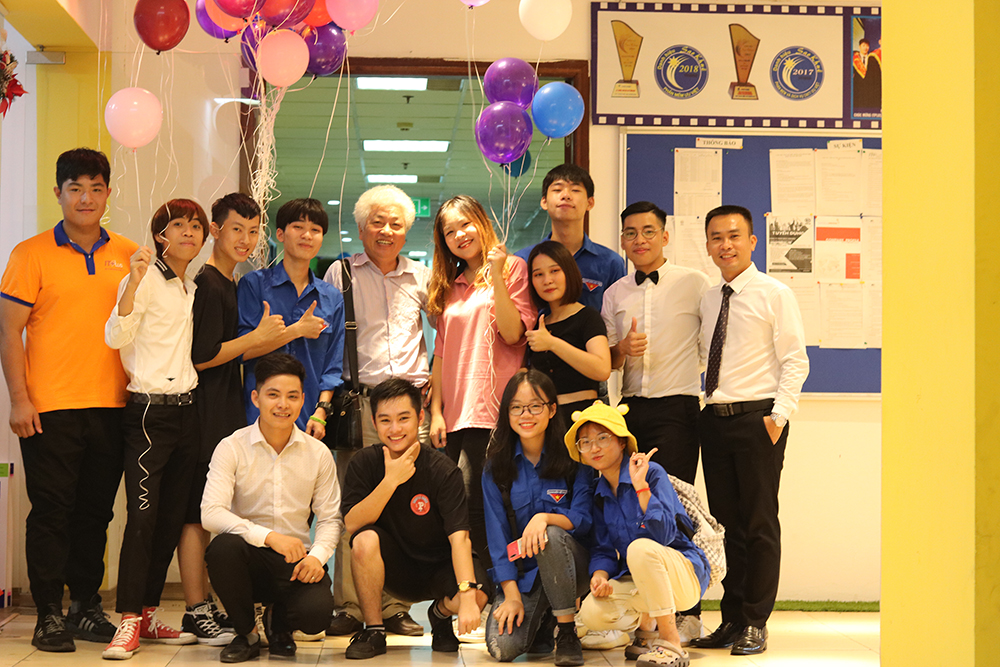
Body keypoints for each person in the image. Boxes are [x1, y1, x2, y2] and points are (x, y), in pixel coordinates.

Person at [0, 148, 136, 652]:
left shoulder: (128, 253)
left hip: (114, 405)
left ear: (107, 193)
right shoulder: (30, 253)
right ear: (58, 193)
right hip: (49, 408)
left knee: (96, 514)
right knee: (52, 512)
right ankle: (48, 615)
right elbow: (9, 332)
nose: (85, 198)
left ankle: (85, 606)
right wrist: (19, 400)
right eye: (75, 188)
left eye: (96, 188)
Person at [692, 205, 809, 656]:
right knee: (726, 527)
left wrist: (778, 417)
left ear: (752, 241)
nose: (725, 245)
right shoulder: (709, 298)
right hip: (714, 419)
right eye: (716, 237)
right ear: (708, 245)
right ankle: (732, 618)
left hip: (758, 420)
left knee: (759, 524)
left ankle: (756, 622)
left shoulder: (774, 293)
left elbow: (795, 360)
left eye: (734, 236)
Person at [322, 185, 430, 638]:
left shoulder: (423, 276)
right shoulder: (340, 272)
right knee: (356, 505)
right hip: (360, 403)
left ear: (407, 230)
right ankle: (349, 604)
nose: (386, 230)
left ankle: (396, 605)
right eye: (377, 222)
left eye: (395, 223)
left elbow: (447, 335)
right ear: (361, 228)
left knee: (405, 506)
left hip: (411, 405)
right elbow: (328, 339)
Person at [601, 202, 712, 643]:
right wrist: (622, 350)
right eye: (631, 233)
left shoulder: (694, 283)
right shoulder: (614, 293)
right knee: (633, 508)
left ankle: (687, 613)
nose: (640, 240)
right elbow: (607, 361)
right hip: (630, 411)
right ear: (622, 241)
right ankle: (645, 617)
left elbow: (710, 346)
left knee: (675, 508)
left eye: (648, 231)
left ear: (665, 236)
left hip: (678, 407)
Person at [103, 199, 208, 659]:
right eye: (178, 225)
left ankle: (147, 613)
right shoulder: (143, 279)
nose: (188, 232)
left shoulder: (189, 287)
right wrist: (131, 284)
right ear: (160, 235)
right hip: (149, 413)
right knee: (143, 519)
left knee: (169, 520)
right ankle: (127, 620)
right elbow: (115, 336)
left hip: (187, 412)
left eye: (196, 226)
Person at [179, 193, 285, 645]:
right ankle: (195, 609)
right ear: (215, 231)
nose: (245, 239)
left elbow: (236, 351)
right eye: (236, 229)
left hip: (224, 409)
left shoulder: (230, 281)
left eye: (253, 231)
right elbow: (203, 357)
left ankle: (208, 605)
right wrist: (256, 337)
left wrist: (280, 334)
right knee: (197, 515)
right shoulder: (207, 283)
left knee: (216, 510)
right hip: (201, 412)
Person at [201, 352, 341, 663]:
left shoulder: (318, 454)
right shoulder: (231, 447)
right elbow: (210, 513)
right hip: (248, 556)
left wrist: (317, 557)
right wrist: (268, 537)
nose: (283, 404)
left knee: (317, 615)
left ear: (303, 400)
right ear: (256, 398)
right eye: (273, 395)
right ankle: (247, 633)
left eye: (292, 396)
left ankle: (280, 625)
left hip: (295, 561)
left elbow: (330, 519)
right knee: (222, 548)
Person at [341, 378, 490, 659]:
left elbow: (460, 538)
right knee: (363, 540)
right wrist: (390, 481)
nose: (395, 429)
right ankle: (374, 631)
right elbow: (352, 523)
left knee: (478, 594)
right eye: (385, 420)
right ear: (374, 422)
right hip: (395, 569)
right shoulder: (364, 463)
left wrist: (468, 596)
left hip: (440, 567)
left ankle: (440, 615)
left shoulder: (443, 470)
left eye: (403, 418)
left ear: (420, 418)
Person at [427, 195, 537, 567]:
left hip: (497, 409)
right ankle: (479, 585)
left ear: (482, 223)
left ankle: (505, 585)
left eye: (466, 224)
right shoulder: (449, 284)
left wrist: (498, 275)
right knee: (464, 504)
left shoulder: (514, 268)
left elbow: (512, 333)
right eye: (450, 231)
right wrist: (436, 411)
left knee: (498, 502)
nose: (460, 235)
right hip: (456, 414)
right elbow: (441, 353)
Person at [568, 402, 709, 667]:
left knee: (639, 548)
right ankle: (645, 633)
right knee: (592, 613)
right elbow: (603, 549)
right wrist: (599, 577)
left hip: (683, 575)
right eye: (585, 442)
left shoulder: (651, 473)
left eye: (602, 438)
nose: (594, 448)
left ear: (622, 442)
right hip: (641, 580)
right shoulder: (598, 492)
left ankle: (671, 642)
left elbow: (665, 534)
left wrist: (640, 486)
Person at [481, 370, 594, 666]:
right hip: (525, 577)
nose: (526, 415)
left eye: (535, 406)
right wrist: (511, 596)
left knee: (551, 536)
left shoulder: (574, 459)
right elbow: (497, 538)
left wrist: (545, 517)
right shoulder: (497, 468)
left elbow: (584, 519)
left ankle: (567, 632)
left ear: (552, 409)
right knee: (502, 648)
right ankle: (544, 621)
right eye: (517, 407)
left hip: (573, 567)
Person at [237, 197, 345, 438]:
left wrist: (321, 412)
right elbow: (242, 352)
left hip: (309, 419)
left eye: (315, 230)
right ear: (280, 234)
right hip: (258, 417)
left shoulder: (331, 297)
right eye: (298, 227)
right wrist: (295, 331)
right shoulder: (254, 285)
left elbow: (332, 366)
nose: (307, 235)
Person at [515, 164, 625, 311]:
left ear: (590, 203)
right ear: (544, 202)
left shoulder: (611, 262)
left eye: (575, 190)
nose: (566, 195)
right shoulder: (523, 260)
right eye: (557, 190)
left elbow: (617, 316)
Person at [525, 241, 611, 424]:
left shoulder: (588, 316)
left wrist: (552, 343)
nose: (547, 280)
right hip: (545, 420)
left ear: (569, 272)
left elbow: (602, 369)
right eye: (538, 274)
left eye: (554, 271)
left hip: (582, 417)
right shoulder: (539, 324)